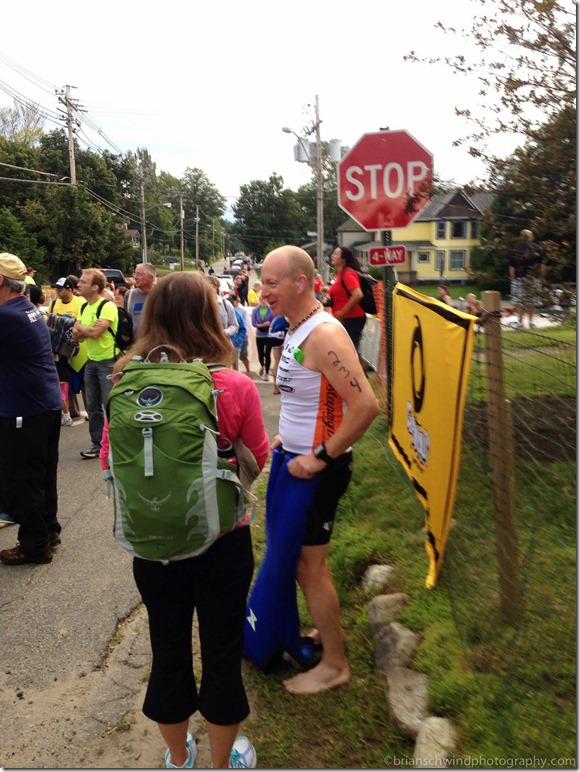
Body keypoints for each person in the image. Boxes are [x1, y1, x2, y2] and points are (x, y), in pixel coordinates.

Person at [112, 271, 269, 769]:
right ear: (210, 317)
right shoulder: (234, 384)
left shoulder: (126, 384)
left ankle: (179, 758)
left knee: (168, 651)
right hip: (222, 540)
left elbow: (110, 462)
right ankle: (222, 763)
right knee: (222, 653)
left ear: (151, 316)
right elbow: (258, 457)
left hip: (152, 544)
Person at [260, 245, 380, 694]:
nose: (263, 291)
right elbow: (305, 399)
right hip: (295, 461)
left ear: (300, 283)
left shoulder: (324, 334)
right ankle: (328, 635)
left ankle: (334, 664)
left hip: (319, 471)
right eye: (263, 282)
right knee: (304, 564)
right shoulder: (296, 328)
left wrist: (320, 457)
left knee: (309, 567)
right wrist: (286, 439)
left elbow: (366, 406)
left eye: (272, 283)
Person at [0, 253, 62, 565]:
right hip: (45, 404)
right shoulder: (27, 309)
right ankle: (49, 530)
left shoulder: (6, 315)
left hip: (23, 407)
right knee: (43, 473)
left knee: (23, 478)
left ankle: (35, 545)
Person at [72, 269, 118, 459]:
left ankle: (115, 445)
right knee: (92, 406)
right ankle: (97, 444)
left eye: (83, 282)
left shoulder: (107, 306)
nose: (79, 284)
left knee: (110, 405)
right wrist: (87, 329)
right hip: (91, 361)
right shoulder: (84, 307)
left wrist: (82, 328)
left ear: (95, 287)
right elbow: (75, 334)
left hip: (108, 362)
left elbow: (94, 333)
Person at [327, 246, 367, 352]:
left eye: (336, 254)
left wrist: (342, 313)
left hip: (352, 319)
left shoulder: (348, 273)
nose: (332, 256)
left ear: (343, 260)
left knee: (348, 351)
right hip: (345, 318)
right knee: (344, 349)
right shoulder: (340, 274)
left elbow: (357, 294)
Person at [508, 228, 546, 329]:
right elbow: (542, 265)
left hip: (519, 278)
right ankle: (531, 322)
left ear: (521, 237)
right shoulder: (538, 248)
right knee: (532, 301)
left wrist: (513, 279)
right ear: (531, 237)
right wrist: (541, 277)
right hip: (534, 278)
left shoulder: (516, 249)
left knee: (520, 301)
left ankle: (520, 322)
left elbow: (512, 267)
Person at [207, 275, 239, 355]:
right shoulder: (200, 305)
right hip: (206, 348)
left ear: (216, 287)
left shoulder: (226, 304)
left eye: (209, 285)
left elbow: (235, 325)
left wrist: (223, 332)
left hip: (223, 347)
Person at [125, 263, 156, 336]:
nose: (135, 277)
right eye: (135, 274)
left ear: (150, 278)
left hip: (154, 341)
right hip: (134, 341)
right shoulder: (129, 295)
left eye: (139, 274)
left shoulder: (161, 295)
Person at [251, 293, 274, 381]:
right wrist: (262, 325)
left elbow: (274, 321)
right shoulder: (255, 310)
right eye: (261, 300)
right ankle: (262, 365)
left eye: (265, 300)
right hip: (259, 335)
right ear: (259, 300)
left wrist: (269, 324)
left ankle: (266, 373)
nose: (263, 301)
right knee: (261, 354)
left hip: (268, 334)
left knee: (267, 354)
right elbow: (253, 323)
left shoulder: (271, 309)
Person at [229, 293, 252, 377]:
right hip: (232, 338)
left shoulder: (242, 311)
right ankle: (235, 375)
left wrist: (239, 339)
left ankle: (248, 371)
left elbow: (245, 325)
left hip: (242, 336)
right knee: (233, 359)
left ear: (236, 301)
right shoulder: (230, 311)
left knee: (243, 356)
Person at [268, 315, 289, 395]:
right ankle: (279, 387)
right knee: (282, 361)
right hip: (279, 331)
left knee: (277, 362)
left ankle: (276, 388)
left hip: (274, 333)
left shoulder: (277, 316)